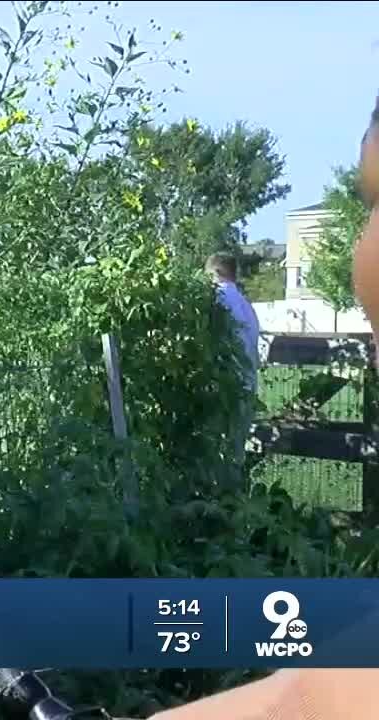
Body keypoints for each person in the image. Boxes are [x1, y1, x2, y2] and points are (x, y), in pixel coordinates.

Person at [144, 96, 379, 720]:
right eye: (371, 209)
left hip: (228, 390)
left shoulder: (221, 303)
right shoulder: (245, 302)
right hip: (244, 386)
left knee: (225, 452)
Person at [206, 252, 260, 480]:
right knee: (235, 456)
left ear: (215, 273)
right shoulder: (247, 306)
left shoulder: (217, 297)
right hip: (247, 385)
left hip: (224, 387)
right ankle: (233, 507)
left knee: (213, 455)